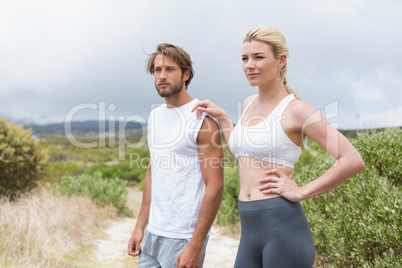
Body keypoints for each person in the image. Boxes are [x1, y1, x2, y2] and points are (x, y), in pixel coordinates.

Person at [192, 25, 365, 268]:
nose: (249, 65)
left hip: (283, 231)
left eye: (258, 57)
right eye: (245, 58)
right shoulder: (249, 104)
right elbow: (243, 157)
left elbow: (352, 159)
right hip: (249, 232)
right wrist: (223, 120)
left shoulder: (298, 110)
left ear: (280, 61)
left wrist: (301, 191)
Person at [128, 43, 224, 268]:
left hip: (183, 237)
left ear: (186, 74)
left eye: (170, 69)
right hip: (153, 233)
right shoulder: (155, 116)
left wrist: (195, 245)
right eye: (157, 70)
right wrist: (140, 226)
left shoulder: (202, 120)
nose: (162, 75)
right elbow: (154, 172)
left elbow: (215, 186)